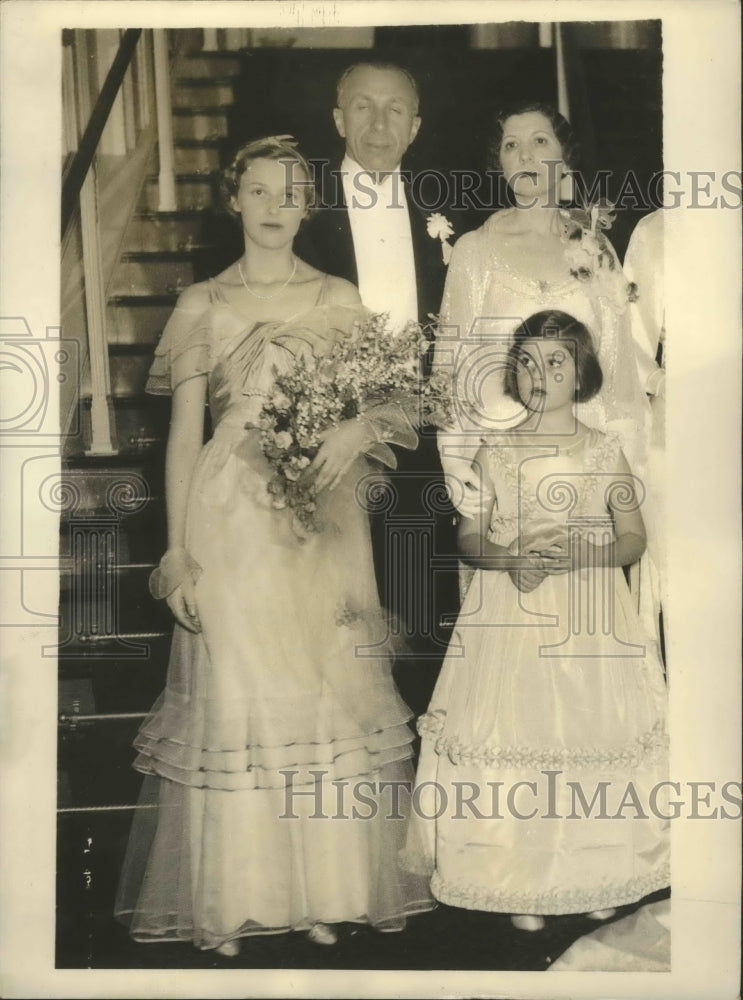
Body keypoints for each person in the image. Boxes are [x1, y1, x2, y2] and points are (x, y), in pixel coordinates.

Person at [114, 136, 434, 956]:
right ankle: (236, 900)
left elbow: (400, 400)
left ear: (306, 205)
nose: (272, 206)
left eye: (288, 191)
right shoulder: (201, 303)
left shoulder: (337, 296)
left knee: (323, 691)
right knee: (239, 695)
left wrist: (355, 429)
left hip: (320, 518)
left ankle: (327, 892)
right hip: (228, 515)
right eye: (256, 191)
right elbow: (183, 438)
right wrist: (175, 554)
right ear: (234, 201)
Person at [404, 310, 669, 932]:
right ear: (513, 374)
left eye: (556, 361)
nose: (540, 374)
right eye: (527, 362)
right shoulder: (493, 450)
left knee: (588, 734)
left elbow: (633, 539)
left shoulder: (605, 449)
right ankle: (516, 878)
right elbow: (469, 538)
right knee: (516, 733)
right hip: (512, 615)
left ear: (582, 374)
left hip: (590, 616)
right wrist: (509, 559)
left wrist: (584, 554)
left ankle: (595, 873)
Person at [296, 61, 460, 716]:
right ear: (339, 119)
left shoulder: (445, 211)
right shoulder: (298, 208)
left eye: (395, 109)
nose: (379, 122)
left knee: (418, 615)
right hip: (326, 445)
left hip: (421, 443)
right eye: (362, 106)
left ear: (415, 126)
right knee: (334, 624)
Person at [436, 101, 653, 531]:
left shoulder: (597, 250)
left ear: (564, 158)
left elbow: (616, 364)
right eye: (510, 145)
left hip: (585, 460)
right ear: (499, 164)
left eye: (540, 141)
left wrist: (625, 467)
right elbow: (450, 364)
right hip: (501, 461)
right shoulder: (473, 251)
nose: (525, 155)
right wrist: (454, 460)